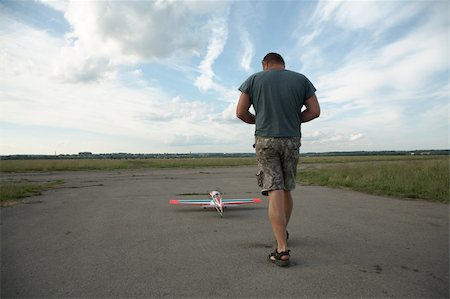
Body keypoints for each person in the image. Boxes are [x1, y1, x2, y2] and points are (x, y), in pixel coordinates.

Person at [236, 52, 320, 267]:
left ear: (265, 64)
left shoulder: (254, 79)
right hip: (292, 140)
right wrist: (293, 119)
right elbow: (314, 111)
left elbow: (240, 112)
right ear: (283, 64)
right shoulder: (301, 80)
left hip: (266, 140)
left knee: (274, 189)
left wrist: (260, 121)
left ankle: (281, 248)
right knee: (286, 188)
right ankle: (282, 232)